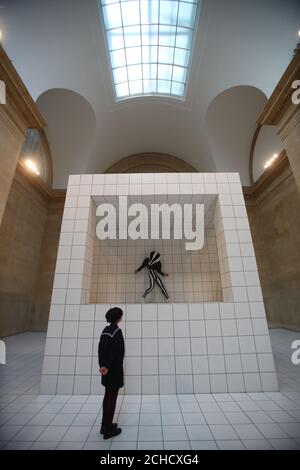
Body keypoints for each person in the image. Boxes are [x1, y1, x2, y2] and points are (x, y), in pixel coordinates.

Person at [98, 307, 124, 440]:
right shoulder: (117, 332)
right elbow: (116, 353)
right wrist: (108, 366)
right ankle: (108, 430)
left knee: (107, 396)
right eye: (121, 315)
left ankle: (105, 425)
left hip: (106, 370)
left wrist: (102, 366)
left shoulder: (105, 331)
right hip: (114, 371)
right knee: (112, 398)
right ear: (118, 317)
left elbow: (101, 350)